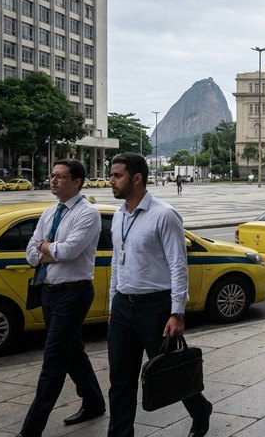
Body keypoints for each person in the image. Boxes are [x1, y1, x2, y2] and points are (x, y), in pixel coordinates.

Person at [107, 153, 212, 437]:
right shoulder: (118, 216)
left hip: (155, 308)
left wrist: (177, 312)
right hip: (123, 307)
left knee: (170, 371)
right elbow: (117, 261)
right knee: (120, 380)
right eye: (112, 175)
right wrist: (112, 304)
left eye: (117, 176)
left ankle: (200, 409)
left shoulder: (164, 214)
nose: (111, 181)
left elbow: (179, 265)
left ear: (137, 178)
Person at [18, 159, 105, 437]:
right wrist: (46, 250)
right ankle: (93, 401)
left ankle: (31, 429)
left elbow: (68, 251)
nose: (53, 180)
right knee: (72, 352)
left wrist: (45, 248)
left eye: (60, 177)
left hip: (74, 292)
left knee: (54, 359)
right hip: (48, 291)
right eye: (52, 176)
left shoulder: (87, 214)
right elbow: (31, 253)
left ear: (76, 182)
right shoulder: (48, 212)